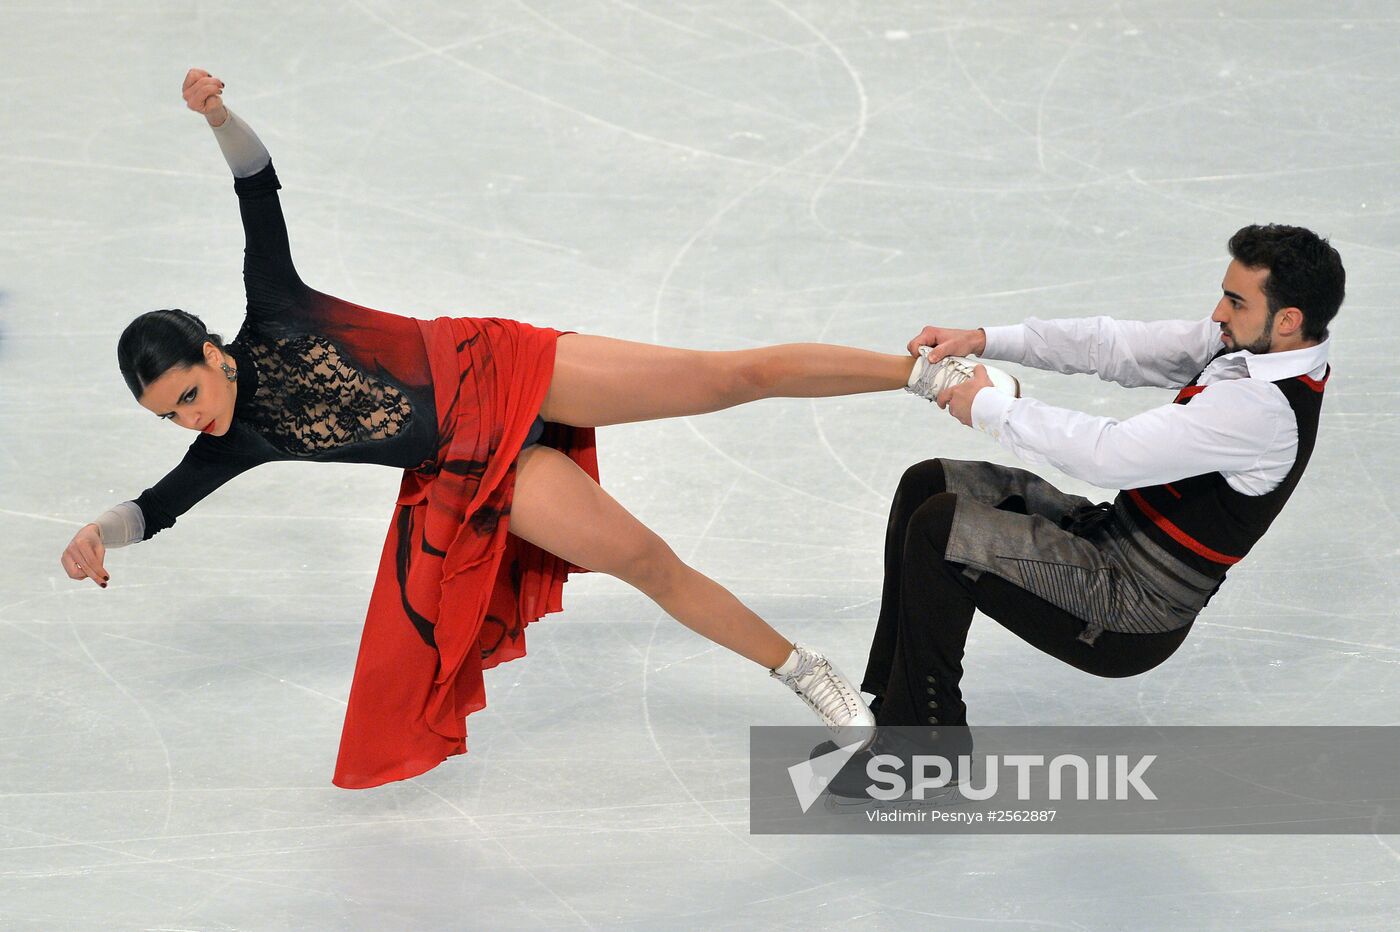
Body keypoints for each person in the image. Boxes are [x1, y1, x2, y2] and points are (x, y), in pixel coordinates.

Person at [57, 69, 938, 788]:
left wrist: (218, 116)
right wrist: (101, 532)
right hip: (475, 466)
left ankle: (919, 372)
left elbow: (256, 184)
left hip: (503, 369)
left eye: (187, 393)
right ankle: (806, 673)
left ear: (214, 351)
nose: (187, 418)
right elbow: (156, 506)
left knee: (723, 378)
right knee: (646, 565)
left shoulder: (276, 306)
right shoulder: (233, 440)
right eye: (168, 415)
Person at [827, 223, 1343, 798]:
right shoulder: (1252, 346)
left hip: (1132, 608)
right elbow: (1112, 346)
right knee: (930, 486)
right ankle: (894, 707)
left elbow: (1109, 455)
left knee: (941, 530)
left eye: (1236, 300)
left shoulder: (1263, 409)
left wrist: (991, 407)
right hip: (1107, 539)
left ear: (1289, 318)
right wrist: (984, 339)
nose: (1218, 311)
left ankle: (926, 748)